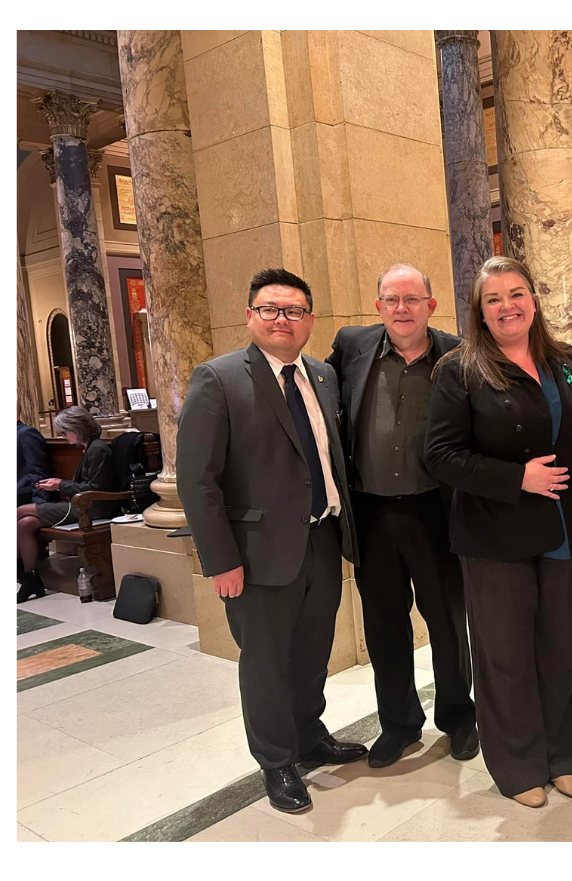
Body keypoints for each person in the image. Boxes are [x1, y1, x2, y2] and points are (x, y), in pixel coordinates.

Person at [179, 268, 367, 814]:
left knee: (312, 651)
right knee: (265, 662)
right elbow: (197, 480)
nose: (282, 319)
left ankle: (309, 735)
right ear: (250, 316)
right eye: (270, 309)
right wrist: (220, 561)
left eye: (294, 311)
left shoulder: (322, 376)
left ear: (310, 319)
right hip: (255, 555)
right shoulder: (218, 379)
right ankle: (277, 761)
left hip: (322, 540)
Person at [425, 256, 572, 808]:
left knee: (563, 645)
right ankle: (519, 764)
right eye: (493, 299)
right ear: (479, 311)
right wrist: (517, 477)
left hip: (562, 525)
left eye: (516, 293)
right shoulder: (459, 370)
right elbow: (440, 455)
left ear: (534, 300)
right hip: (494, 533)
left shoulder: (563, 359)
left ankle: (565, 756)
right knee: (505, 654)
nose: (507, 307)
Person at [325, 263, 476, 768]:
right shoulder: (351, 347)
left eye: (412, 299)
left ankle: (458, 717)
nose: (401, 308)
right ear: (378, 306)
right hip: (371, 514)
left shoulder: (458, 355)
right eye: (391, 299)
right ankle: (399, 724)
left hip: (435, 510)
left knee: (448, 623)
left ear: (431, 306)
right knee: (384, 626)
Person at [17, 407, 120, 602]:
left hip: (91, 508)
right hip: (83, 504)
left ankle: (19, 572)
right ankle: (30, 578)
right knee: (25, 523)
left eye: (65, 432)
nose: (63, 437)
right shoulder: (90, 448)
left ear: (77, 428)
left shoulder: (98, 449)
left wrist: (60, 485)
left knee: (20, 511)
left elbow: (94, 488)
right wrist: (58, 485)